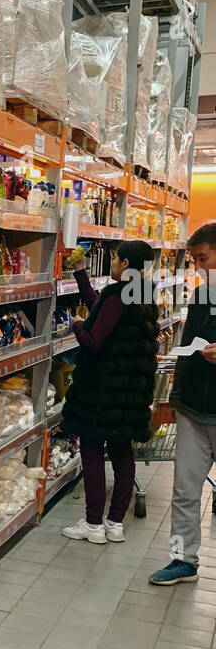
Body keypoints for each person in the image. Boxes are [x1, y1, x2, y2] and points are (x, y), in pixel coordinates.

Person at [60, 239, 158, 544]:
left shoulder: (118, 295)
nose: (113, 262)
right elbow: (101, 312)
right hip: (128, 390)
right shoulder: (141, 293)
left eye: (114, 257)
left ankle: (92, 525)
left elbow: (93, 340)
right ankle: (115, 523)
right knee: (121, 449)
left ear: (125, 263)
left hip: (103, 389)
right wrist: (80, 273)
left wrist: (76, 325)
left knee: (91, 447)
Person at [149, 222, 216, 585]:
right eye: (195, 261)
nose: (199, 268)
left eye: (203, 258)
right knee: (184, 492)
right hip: (192, 410)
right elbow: (188, 349)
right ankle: (182, 559)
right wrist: (175, 399)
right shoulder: (203, 297)